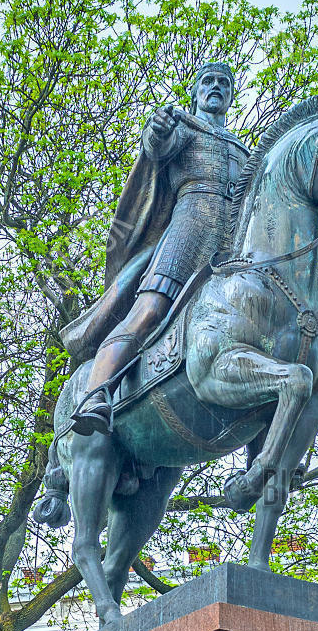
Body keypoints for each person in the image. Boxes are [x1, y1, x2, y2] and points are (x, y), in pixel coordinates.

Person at [64, 62, 249, 436]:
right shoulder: (185, 128)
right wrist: (158, 129)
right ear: (196, 93)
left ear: (231, 96)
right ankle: (95, 393)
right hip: (186, 236)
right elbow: (157, 146)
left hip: (232, 249)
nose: (216, 87)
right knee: (149, 310)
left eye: (224, 83)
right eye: (208, 81)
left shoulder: (242, 150)